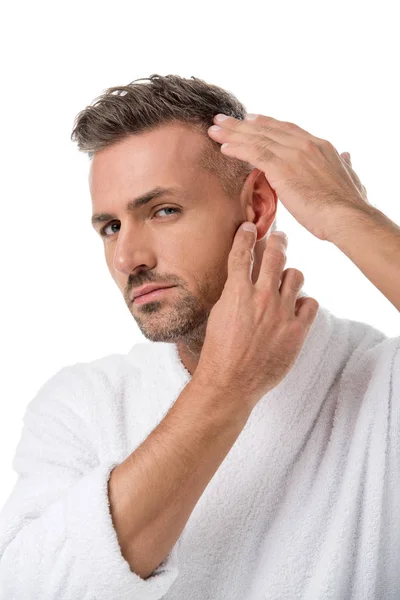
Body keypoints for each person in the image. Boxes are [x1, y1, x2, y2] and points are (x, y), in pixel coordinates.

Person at [0, 74, 399, 600]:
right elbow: (34, 589)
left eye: (162, 211)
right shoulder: (80, 406)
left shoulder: (378, 388)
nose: (127, 259)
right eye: (111, 227)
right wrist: (225, 387)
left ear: (256, 205)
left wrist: (346, 214)